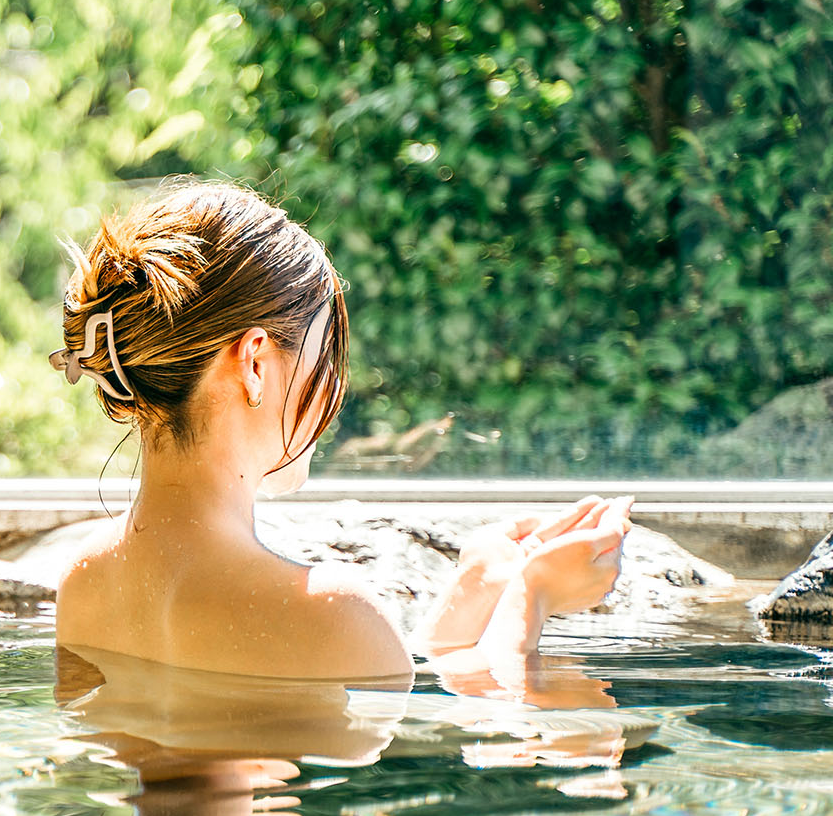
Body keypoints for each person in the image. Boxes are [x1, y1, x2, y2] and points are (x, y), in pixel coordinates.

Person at [51, 180, 631, 681]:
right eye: (323, 351)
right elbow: (439, 733)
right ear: (254, 363)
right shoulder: (325, 612)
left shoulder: (87, 582)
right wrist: (534, 597)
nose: (335, 384)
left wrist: (479, 587)